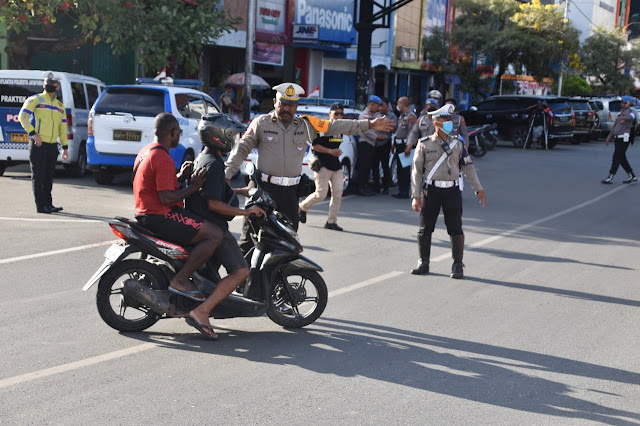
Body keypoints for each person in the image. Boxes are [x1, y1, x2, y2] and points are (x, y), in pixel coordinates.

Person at [225, 83, 394, 251]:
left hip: (290, 194)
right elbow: (242, 148)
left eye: (290, 105)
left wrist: (369, 124)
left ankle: (274, 277)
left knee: (289, 245)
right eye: (282, 103)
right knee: (248, 244)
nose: (286, 108)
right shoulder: (261, 123)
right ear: (275, 102)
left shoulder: (306, 125)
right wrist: (226, 175)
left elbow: (337, 126)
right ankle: (245, 277)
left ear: (296, 106)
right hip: (264, 191)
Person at [183, 114, 266, 339]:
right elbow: (213, 203)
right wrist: (246, 212)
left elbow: (212, 190)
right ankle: (202, 311)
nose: (236, 140)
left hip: (200, 223)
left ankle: (203, 301)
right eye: (233, 136)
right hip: (213, 227)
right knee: (241, 271)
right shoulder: (215, 164)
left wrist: (241, 192)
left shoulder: (205, 157)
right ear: (221, 138)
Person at [133, 113, 223, 303]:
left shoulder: (147, 151)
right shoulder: (162, 157)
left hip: (145, 213)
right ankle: (181, 279)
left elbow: (153, 184)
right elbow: (165, 198)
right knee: (215, 234)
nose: (180, 135)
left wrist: (180, 177)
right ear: (173, 132)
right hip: (160, 216)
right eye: (179, 132)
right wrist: (193, 187)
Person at [410, 104, 487, 279]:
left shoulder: (458, 144)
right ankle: (424, 262)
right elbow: (417, 172)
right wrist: (415, 196)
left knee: (455, 228)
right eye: (445, 120)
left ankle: (458, 265)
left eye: (450, 120)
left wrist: (478, 189)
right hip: (431, 191)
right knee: (425, 228)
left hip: (452, 191)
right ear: (436, 122)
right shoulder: (424, 144)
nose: (450, 123)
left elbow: (468, 168)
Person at [19, 71, 69, 214]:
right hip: (38, 145)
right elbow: (22, 116)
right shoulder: (36, 100)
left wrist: (65, 147)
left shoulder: (60, 106)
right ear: (43, 84)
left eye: (53, 83)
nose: (50, 85)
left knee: (48, 177)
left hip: (52, 146)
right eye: (47, 83)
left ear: (57, 86)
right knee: (39, 176)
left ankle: (49, 204)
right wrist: (33, 134)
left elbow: (62, 128)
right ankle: (41, 206)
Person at [298, 103, 347, 230]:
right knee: (321, 194)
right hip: (322, 165)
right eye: (336, 113)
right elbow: (314, 146)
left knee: (338, 193)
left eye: (341, 113)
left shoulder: (341, 129)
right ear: (330, 114)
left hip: (336, 165)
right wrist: (331, 151)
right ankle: (302, 207)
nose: (339, 116)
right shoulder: (323, 128)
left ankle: (331, 222)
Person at [602, 96, 637, 184]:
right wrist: (608, 138)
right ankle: (632, 175)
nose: (622, 104)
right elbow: (615, 126)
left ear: (628, 103)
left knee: (616, 157)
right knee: (621, 158)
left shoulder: (631, 111)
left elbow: (629, 118)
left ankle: (610, 176)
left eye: (624, 103)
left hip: (624, 139)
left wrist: (627, 107)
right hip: (617, 138)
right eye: (622, 103)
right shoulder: (620, 113)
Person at [356, 95, 385, 196]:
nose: (378, 108)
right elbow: (365, 130)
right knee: (363, 166)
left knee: (367, 166)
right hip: (365, 143)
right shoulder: (365, 115)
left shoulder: (372, 116)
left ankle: (365, 186)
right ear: (372, 104)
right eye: (377, 106)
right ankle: (361, 187)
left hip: (370, 143)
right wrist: (377, 137)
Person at [392, 97, 416, 199]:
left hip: (405, 144)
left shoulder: (411, 116)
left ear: (404, 104)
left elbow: (412, 131)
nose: (397, 105)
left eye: (399, 103)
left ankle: (405, 191)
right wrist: (393, 144)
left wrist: (409, 146)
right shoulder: (401, 115)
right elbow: (398, 132)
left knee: (405, 169)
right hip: (398, 144)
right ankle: (401, 190)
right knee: (399, 169)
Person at [372, 97, 397, 194]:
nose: (381, 108)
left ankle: (386, 186)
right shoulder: (376, 115)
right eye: (380, 106)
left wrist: (384, 127)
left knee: (385, 165)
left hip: (385, 143)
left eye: (383, 105)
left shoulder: (392, 116)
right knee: (374, 165)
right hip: (375, 142)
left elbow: (394, 129)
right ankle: (376, 185)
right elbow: (372, 127)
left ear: (387, 106)